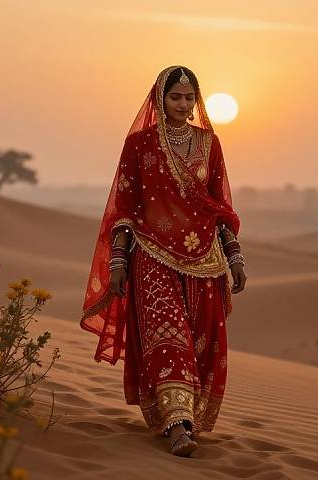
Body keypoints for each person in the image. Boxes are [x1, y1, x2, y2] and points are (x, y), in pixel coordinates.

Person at [80, 65, 246, 457]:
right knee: (168, 341)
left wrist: (235, 256)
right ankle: (178, 428)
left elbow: (218, 206)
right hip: (152, 256)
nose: (183, 105)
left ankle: (188, 420)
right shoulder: (139, 145)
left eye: (189, 98)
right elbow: (125, 206)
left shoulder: (210, 143)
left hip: (205, 260)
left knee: (201, 345)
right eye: (176, 97)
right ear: (160, 98)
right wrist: (118, 262)